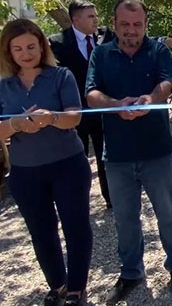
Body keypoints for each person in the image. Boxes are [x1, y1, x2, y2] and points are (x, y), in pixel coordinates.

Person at [86, 0, 172, 302]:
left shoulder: (158, 51)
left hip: (157, 149)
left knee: (168, 213)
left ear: (145, 24)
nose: (131, 30)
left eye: (137, 24)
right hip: (117, 154)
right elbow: (91, 93)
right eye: (125, 24)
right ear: (114, 24)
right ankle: (131, 271)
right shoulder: (101, 54)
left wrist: (151, 99)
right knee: (125, 218)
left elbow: (167, 83)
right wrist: (115, 105)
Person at [0, 19, 92, 306]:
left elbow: (74, 117)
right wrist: (15, 124)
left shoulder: (61, 76)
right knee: (41, 232)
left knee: (75, 227)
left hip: (68, 165)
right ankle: (58, 285)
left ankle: (77, 288)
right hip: (25, 172)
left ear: (42, 46)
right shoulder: (3, 86)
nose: (26, 54)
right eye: (18, 49)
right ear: (8, 52)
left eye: (31, 46)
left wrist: (51, 118)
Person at [49, 0, 115, 209]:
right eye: (90, 16)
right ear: (75, 20)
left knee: (107, 156)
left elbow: (129, 43)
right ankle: (78, 202)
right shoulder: (57, 42)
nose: (96, 20)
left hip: (103, 110)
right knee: (77, 159)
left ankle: (111, 199)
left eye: (96, 15)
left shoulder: (107, 36)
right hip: (75, 112)